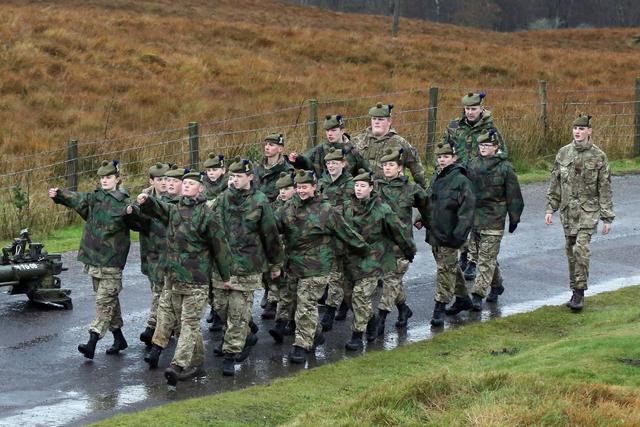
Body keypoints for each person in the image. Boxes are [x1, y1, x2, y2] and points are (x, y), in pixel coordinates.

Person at [135, 171, 232, 386]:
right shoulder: (175, 209)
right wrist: (147, 200)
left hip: (196, 280)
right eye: (185, 183)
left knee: (189, 323)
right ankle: (197, 363)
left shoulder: (207, 215)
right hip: (173, 278)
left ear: (200, 189)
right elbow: (162, 209)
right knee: (184, 323)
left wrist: (226, 276)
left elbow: (220, 247)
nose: (187, 186)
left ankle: (178, 365)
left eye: (191, 183)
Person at [275, 170, 368, 364]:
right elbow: (273, 226)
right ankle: (315, 335)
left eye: (305, 187)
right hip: (293, 265)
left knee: (306, 304)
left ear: (314, 187)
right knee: (293, 304)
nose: (301, 191)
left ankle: (301, 345)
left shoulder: (327, 210)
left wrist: (366, 252)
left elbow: (347, 234)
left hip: (317, 266)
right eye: (299, 187)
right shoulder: (288, 207)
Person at [49, 160, 133, 360]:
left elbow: (140, 220)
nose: (105, 180)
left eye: (109, 177)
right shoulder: (95, 198)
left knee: (104, 302)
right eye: (102, 177)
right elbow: (77, 199)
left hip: (112, 263)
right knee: (109, 301)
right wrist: (59, 194)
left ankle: (92, 342)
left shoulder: (125, 204)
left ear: (117, 179)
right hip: (95, 261)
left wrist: (135, 212)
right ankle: (119, 338)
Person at [212, 158, 284, 376]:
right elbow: (211, 229)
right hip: (223, 265)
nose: (234, 180)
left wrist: (275, 263)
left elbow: (270, 234)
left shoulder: (260, 201)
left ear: (250, 177)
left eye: (239, 176)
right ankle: (244, 335)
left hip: (249, 264)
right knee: (220, 306)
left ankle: (231, 353)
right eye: (232, 177)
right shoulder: (222, 199)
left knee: (239, 310)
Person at [545, 114, 614, 311]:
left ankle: (579, 293)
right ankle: (574, 289)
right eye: (575, 128)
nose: (577, 132)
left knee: (580, 249)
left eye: (582, 129)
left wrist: (607, 217)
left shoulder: (599, 156)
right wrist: (551, 208)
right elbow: (554, 183)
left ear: (589, 131)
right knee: (570, 251)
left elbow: (605, 188)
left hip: (588, 211)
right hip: (568, 212)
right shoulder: (563, 153)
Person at [342, 169, 416, 350]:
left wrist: (409, 250)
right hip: (351, 259)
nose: (358, 189)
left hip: (374, 258)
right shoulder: (347, 207)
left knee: (360, 296)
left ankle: (357, 335)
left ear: (371, 188)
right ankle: (371, 319)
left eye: (362, 186)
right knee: (349, 297)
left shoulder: (382, 209)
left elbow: (399, 231)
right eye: (356, 186)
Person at [442, 91, 508, 278]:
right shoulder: (454, 126)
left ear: (481, 108)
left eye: (473, 108)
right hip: (459, 181)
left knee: (477, 224)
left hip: (481, 184)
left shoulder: (490, 129)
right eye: (467, 108)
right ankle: (465, 254)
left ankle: (473, 260)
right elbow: (444, 150)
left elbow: (502, 153)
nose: (470, 112)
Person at [467, 130, 524, 311]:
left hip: (494, 219)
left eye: (487, 145)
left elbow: (514, 195)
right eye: (481, 145)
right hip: (474, 219)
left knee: (485, 259)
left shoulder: (505, 168)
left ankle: (477, 294)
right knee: (485, 256)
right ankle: (497, 285)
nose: (483, 148)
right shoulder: (473, 164)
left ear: (496, 147)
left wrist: (514, 217)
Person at [375, 148, 429, 336]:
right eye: (384, 165)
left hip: (402, 245)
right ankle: (403, 309)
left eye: (391, 165)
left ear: (400, 168)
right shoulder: (376, 187)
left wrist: (424, 219)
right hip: (381, 245)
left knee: (390, 281)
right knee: (392, 280)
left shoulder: (411, 188)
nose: (387, 168)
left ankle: (380, 320)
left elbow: (427, 205)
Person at [421, 142, 475, 326]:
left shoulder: (461, 181)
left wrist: (458, 236)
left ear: (454, 158)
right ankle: (463, 299)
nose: (442, 160)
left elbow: (467, 211)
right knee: (450, 267)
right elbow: (430, 200)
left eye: (445, 157)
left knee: (444, 270)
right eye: (439, 157)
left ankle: (440, 307)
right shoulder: (437, 176)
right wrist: (421, 217)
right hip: (435, 232)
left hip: (450, 235)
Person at [255, 133, 295, 317]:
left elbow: (289, 191)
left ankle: (274, 297)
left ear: (280, 148)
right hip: (260, 213)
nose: (267, 148)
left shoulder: (286, 169)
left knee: (278, 256)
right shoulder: (257, 168)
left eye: (272, 145)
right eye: (266, 144)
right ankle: (267, 290)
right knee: (263, 255)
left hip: (279, 212)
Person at [317, 147, 355, 332]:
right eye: (328, 163)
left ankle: (331, 311)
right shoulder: (322, 182)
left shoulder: (350, 184)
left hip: (342, 235)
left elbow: (350, 210)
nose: (331, 166)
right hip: (324, 236)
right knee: (334, 276)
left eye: (334, 163)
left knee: (338, 276)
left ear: (343, 163)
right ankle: (342, 304)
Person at [351, 102, 426, 188]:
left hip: (391, 194)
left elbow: (418, 171)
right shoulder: (358, 141)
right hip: (365, 194)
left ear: (389, 121)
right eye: (374, 119)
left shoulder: (400, 143)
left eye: (381, 119)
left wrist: (420, 193)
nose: (376, 122)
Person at [137, 162, 170, 347]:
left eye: (167, 178)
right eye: (160, 179)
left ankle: (153, 327)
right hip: (150, 251)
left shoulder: (174, 197)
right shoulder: (144, 197)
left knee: (161, 292)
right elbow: (138, 223)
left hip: (169, 252)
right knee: (157, 290)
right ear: (152, 181)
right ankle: (166, 325)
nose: (164, 183)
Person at [268, 171, 298, 343]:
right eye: (280, 189)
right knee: (285, 291)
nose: (283, 192)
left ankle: (291, 323)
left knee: (295, 292)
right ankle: (281, 323)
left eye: (287, 188)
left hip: (297, 255)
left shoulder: (298, 206)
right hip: (281, 254)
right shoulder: (275, 206)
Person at [288, 114, 368, 177]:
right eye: (327, 130)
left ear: (342, 131)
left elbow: (364, 173)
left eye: (333, 130)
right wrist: (297, 159)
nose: (329, 134)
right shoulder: (320, 149)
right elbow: (306, 161)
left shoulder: (353, 151)